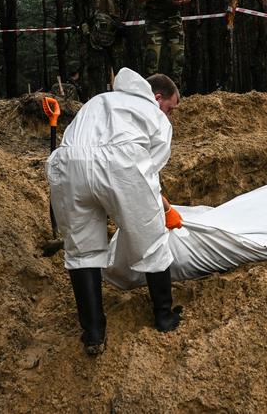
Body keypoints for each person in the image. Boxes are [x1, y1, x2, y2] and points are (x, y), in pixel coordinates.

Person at [45, 67, 184, 355]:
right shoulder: (155, 116)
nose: (169, 115)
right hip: (121, 164)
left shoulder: (99, 100)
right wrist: (161, 208)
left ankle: (93, 332)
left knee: (82, 251)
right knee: (151, 240)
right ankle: (164, 316)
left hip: (70, 165)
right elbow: (149, 171)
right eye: (170, 109)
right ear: (158, 98)